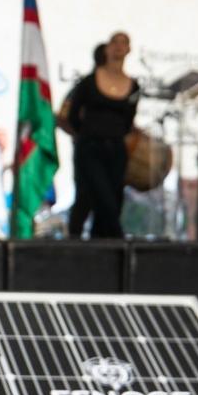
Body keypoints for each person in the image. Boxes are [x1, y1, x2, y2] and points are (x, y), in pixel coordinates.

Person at [59, 32, 139, 240]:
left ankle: (103, 242)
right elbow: (70, 114)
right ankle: (110, 239)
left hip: (115, 149)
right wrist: (85, 134)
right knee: (91, 196)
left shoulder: (133, 86)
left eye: (124, 43)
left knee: (113, 194)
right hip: (90, 147)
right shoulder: (87, 83)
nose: (119, 47)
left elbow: (129, 119)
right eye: (115, 42)